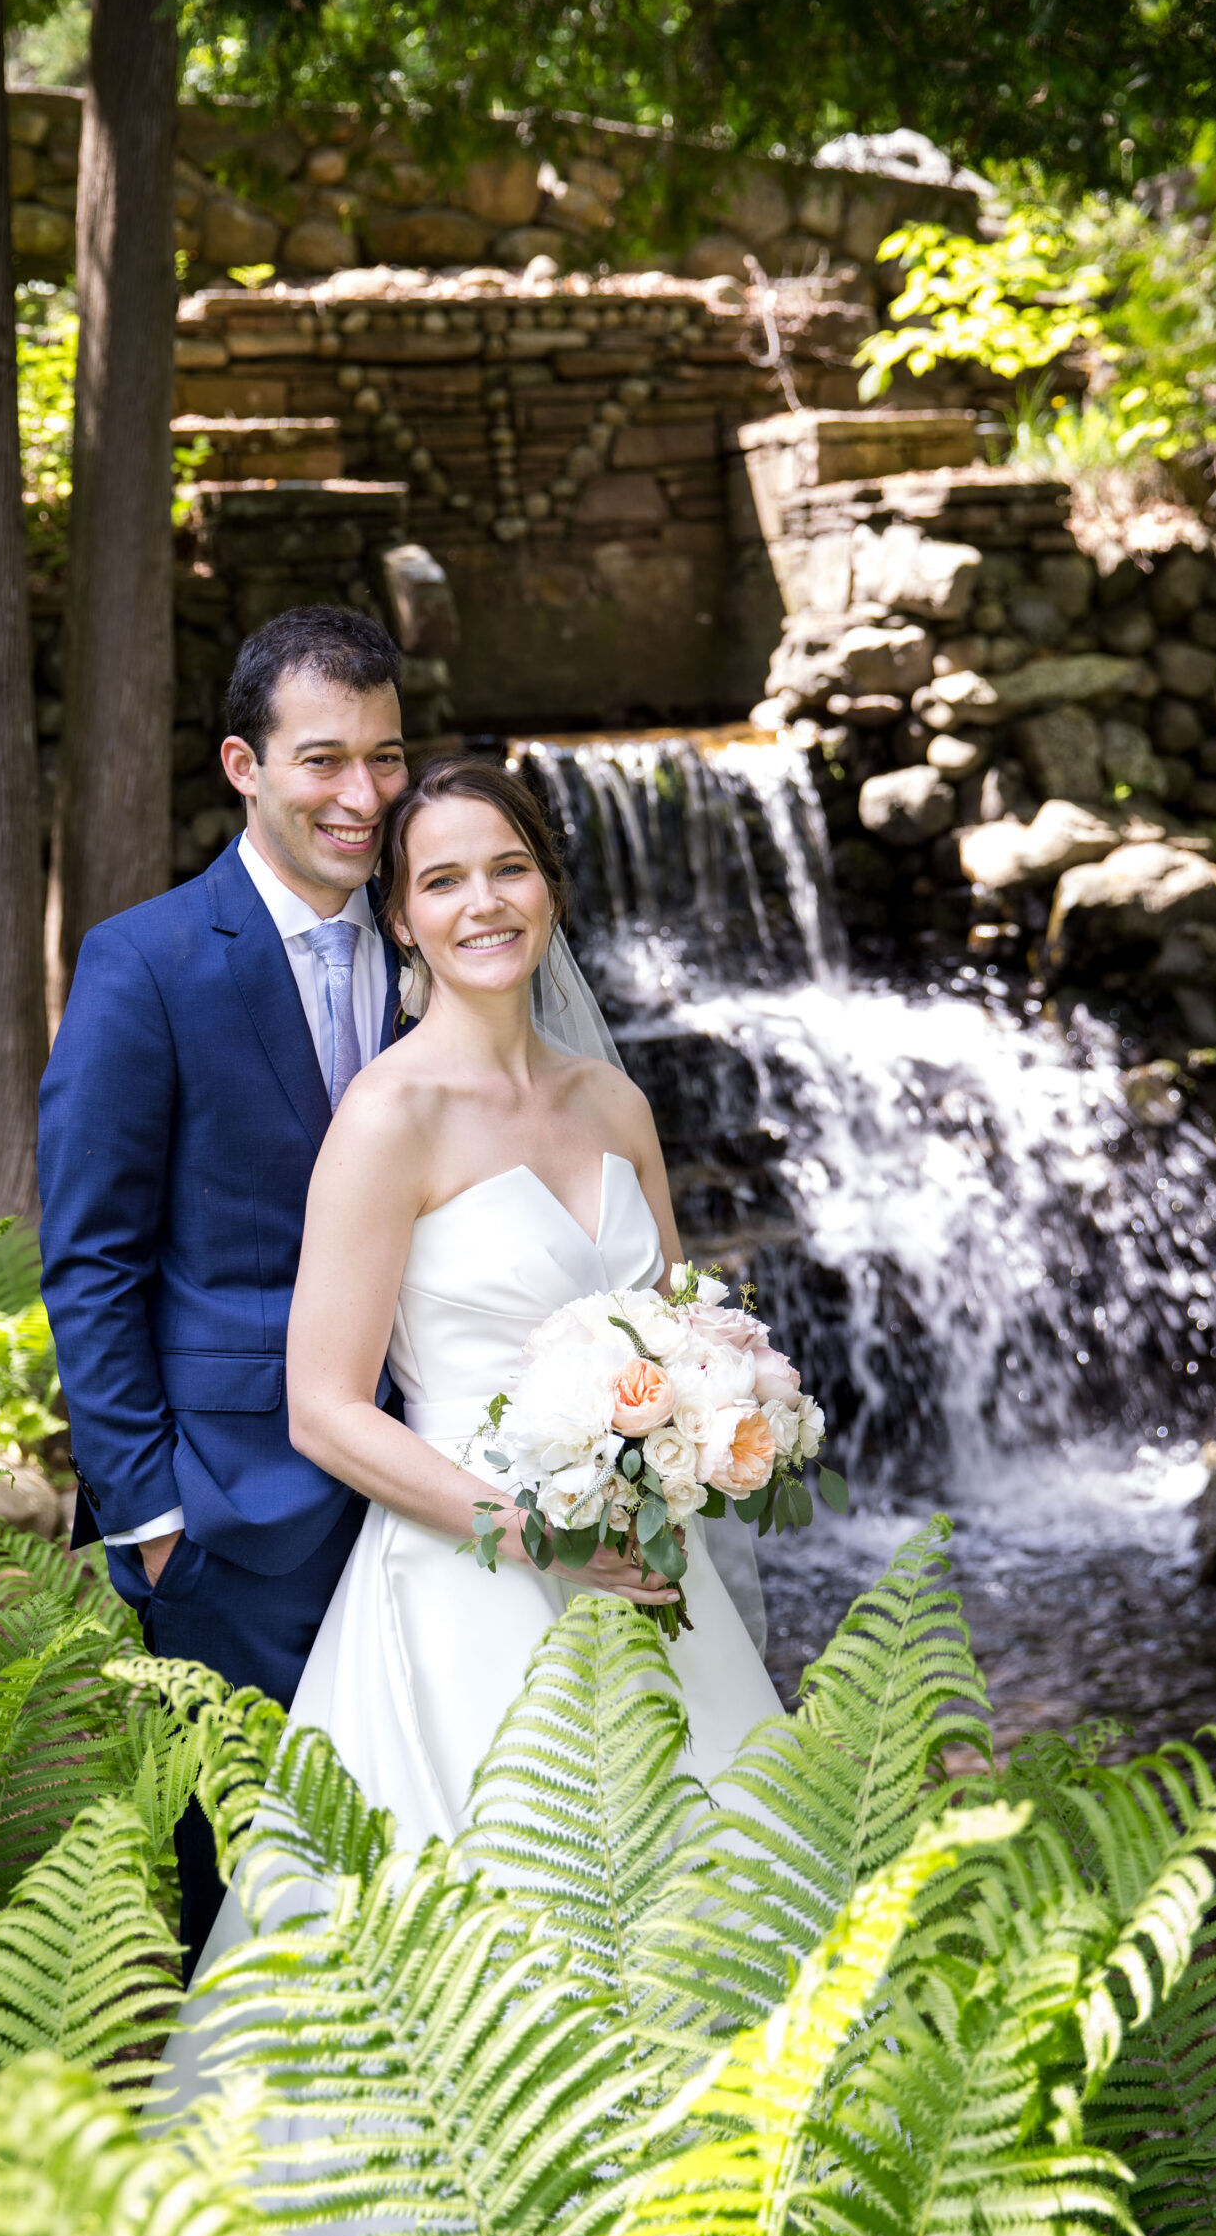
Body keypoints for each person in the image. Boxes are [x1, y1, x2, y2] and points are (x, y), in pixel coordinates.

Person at [166, 757, 778, 2026]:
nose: (482, 903)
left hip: (650, 1571)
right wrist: (530, 1531)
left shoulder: (613, 1102)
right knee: (494, 1978)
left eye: (509, 868)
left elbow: (683, 1329)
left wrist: (710, 1424)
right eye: (442, 879)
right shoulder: (387, 1115)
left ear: (549, 885)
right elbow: (323, 1408)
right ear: (399, 915)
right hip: (464, 1582)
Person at [37, 604, 409, 1971]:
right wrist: (149, 1517)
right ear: (243, 767)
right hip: (229, 1513)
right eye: (323, 760)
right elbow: (91, 1255)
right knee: (244, 1887)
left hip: (423, 1488)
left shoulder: (431, 945)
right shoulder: (147, 961)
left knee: (417, 1845)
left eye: (383, 758)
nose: (361, 795)